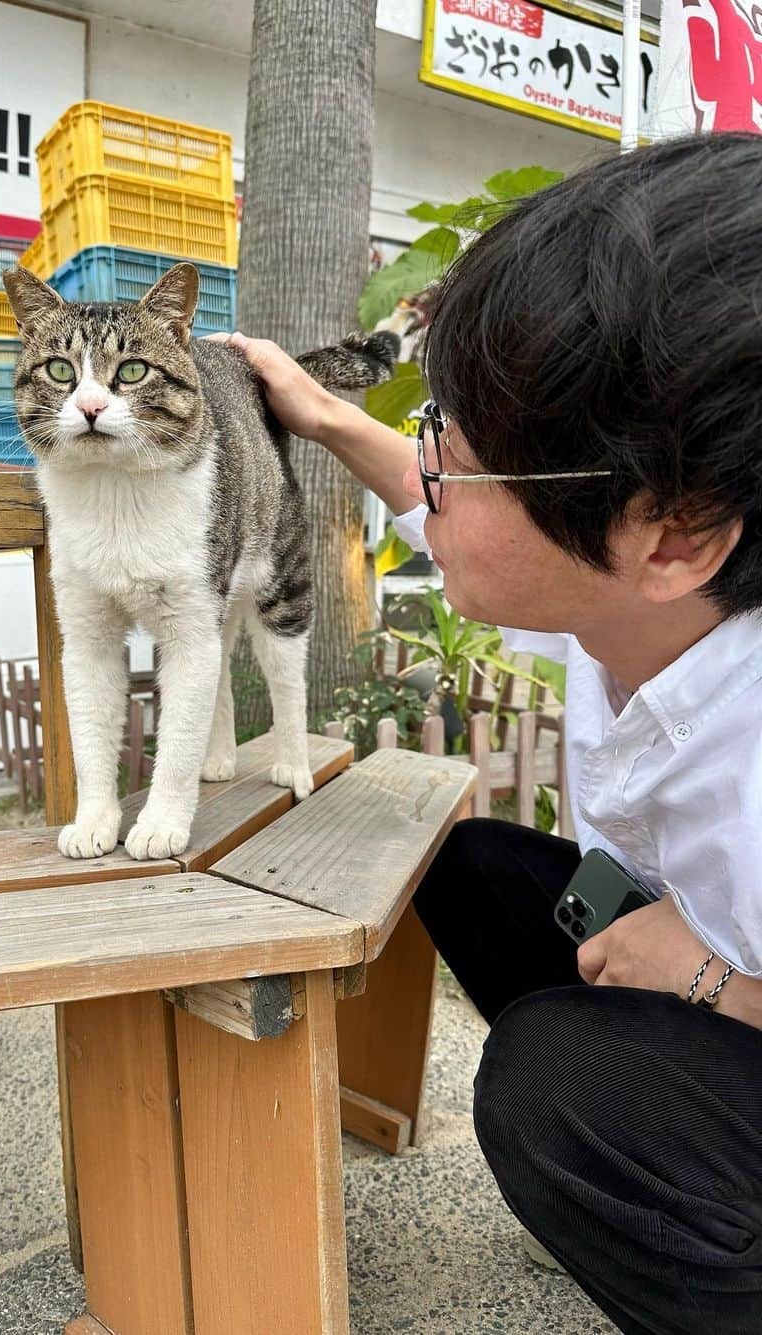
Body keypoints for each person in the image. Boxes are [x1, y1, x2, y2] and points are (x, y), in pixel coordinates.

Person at [211, 132, 762, 1334]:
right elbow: (454, 518)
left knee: (558, 1085)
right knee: (478, 867)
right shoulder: (635, 597)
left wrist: (715, 983)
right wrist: (318, 416)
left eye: (457, 452)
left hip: (732, 974)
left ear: (670, 535)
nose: (429, 477)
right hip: (701, 942)